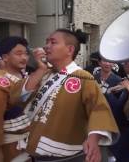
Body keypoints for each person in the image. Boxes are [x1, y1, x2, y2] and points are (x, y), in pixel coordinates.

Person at [22, 29, 119, 161]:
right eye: (47, 42)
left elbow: (98, 109)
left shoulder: (83, 77)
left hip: (68, 155)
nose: (46, 46)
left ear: (69, 49)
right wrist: (40, 69)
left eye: (53, 42)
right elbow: (18, 98)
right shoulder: (44, 73)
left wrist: (94, 137)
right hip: (37, 153)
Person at [0, 37, 31, 162]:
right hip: (9, 142)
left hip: (27, 139)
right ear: (5, 57)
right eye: (18, 53)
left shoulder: (24, 76)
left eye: (26, 53)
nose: (24, 58)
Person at [94, 57, 129, 162]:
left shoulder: (118, 80)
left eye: (110, 61)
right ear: (99, 62)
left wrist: (108, 94)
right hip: (95, 118)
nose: (107, 64)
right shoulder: (92, 78)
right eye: (104, 61)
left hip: (113, 120)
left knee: (111, 151)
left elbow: (119, 106)